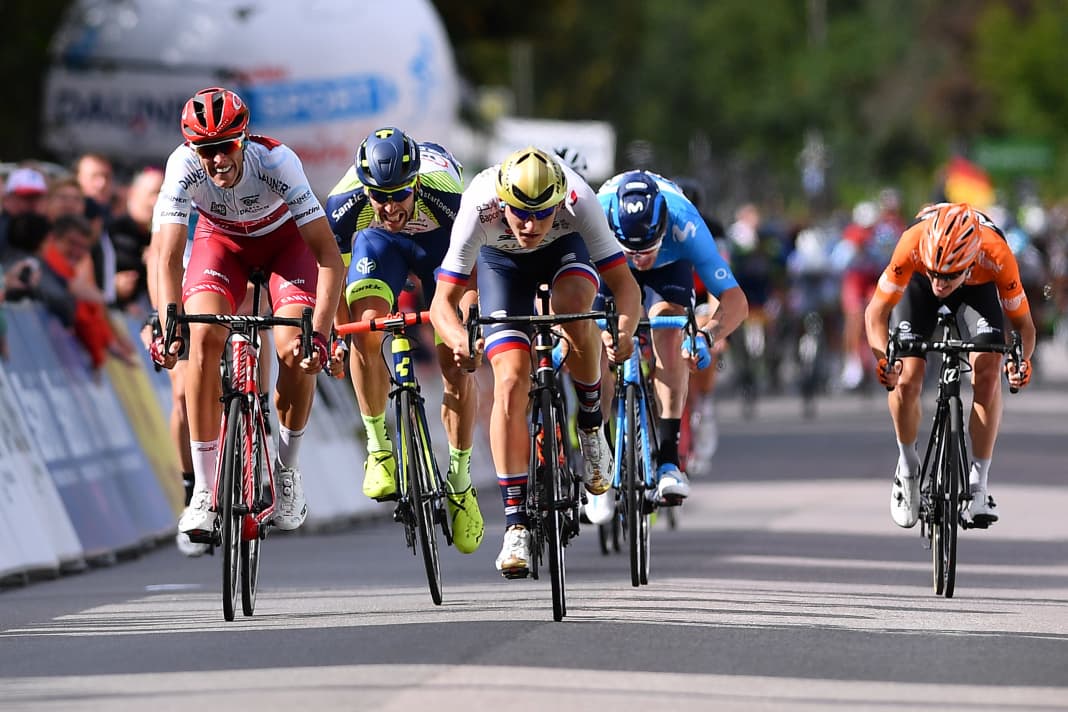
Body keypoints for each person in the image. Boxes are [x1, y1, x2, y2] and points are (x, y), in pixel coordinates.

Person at [430, 146, 642, 577]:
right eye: (519, 213)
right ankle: (514, 525)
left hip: (567, 252)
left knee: (575, 310)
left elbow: (626, 287)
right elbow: (441, 303)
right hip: (501, 264)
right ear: (501, 202)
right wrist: (457, 340)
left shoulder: (578, 200)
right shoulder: (478, 203)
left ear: (559, 201)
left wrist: (624, 331)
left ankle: (590, 425)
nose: (529, 225)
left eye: (541, 214)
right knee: (509, 380)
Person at [150, 86, 344, 543]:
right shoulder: (180, 168)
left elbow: (328, 257)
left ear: (244, 139)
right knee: (201, 340)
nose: (217, 160)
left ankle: (287, 474)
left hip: (285, 247)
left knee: (294, 350)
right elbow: (166, 254)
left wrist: (319, 332)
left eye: (226, 147)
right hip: (221, 247)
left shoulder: (278, 163)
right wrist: (167, 321)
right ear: (193, 149)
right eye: (206, 150)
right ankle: (203, 489)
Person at [324, 127, 484, 554]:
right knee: (365, 328)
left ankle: (460, 479)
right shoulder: (344, 204)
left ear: (415, 181)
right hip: (382, 247)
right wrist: (340, 339)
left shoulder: (448, 195)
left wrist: (466, 327)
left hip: (441, 250)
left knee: (455, 355)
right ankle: (379, 449)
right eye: (380, 196)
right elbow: (333, 278)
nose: (390, 206)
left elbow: (467, 279)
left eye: (399, 194)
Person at [864, 202, 1036, 530]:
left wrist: (1020, 362)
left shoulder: (996, 254)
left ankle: (978, 484)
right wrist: (884, 360)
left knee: (987, 370)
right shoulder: (913, 245)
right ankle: (908, 467)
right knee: (907, 378)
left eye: (948, 276)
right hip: (916, 285)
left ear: (970, 263)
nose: (940, 284)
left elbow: (1025, 327)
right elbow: (876, 312)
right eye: (937, 274)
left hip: (976, 290)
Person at [596, 170, 748, 509]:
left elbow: (735, 301)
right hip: (608, 263)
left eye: (647, 249)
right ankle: (599, 459)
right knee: (597, 338)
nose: (640, 260)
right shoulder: (595, 217)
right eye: (634, 252)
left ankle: (668, 461)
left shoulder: (686, 222)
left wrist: (707, 337)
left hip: (671, 265)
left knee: (668, 325)